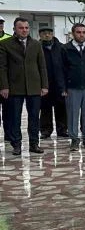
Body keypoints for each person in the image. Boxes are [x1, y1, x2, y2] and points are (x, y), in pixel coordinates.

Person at [0, 17, 48, 155]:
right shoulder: (6, 44)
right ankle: (16, 144)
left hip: (34, 86)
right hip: (14, 87)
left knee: (34, 117)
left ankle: (34, 143)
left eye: (26, 28)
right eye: (21, 28)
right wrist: (4, 86)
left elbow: (42, 66)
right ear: (14, 29)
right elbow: (2, 67)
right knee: (14, 117)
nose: (24, 30)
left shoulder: (36, 44)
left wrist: (44, 85)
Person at [61, 23, 85, 152]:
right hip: (72, 87)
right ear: (73, 33)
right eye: (78, 32)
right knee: (72, 114)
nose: (81, 34)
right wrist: (63, 87)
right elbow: (61, 69)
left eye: (84, 32)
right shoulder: (65, 49)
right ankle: (74, 139)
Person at [38, 27, 67, 139]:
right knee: (45, 108)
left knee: (61, 107)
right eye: (44, 33)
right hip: (44, 83)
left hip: (59, 83)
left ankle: (62, 129)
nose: (47, 35)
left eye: (49, 33)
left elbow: (66, 65)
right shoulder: (37, 47)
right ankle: (45, 130)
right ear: (40, 35)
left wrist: (65, 84)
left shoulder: (61, 47)